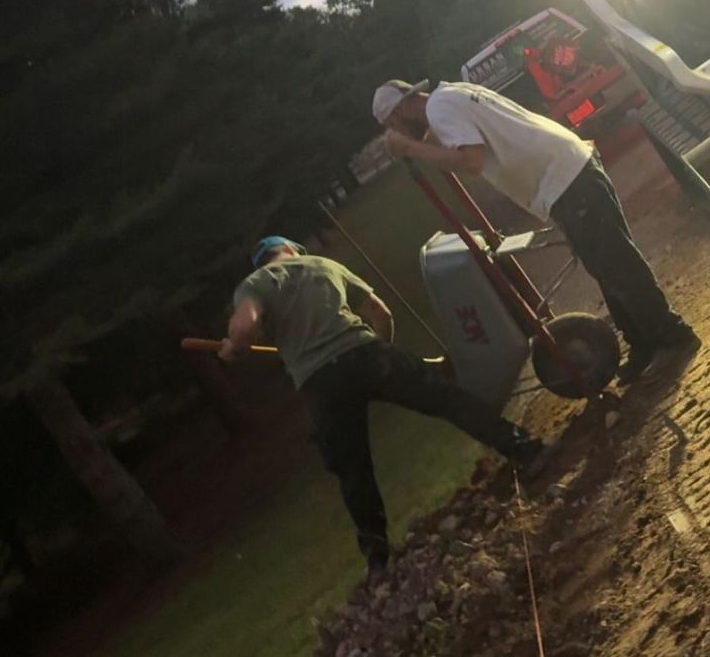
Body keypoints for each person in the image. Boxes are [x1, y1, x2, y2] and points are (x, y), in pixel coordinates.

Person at [221, 235, 547, 577]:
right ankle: (525, 449)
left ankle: (378, 558)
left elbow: (245, 325)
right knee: (445, 398)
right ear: (292, 251)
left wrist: (234, 348)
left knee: (353, 469)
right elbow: (380, 312)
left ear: (264, 262)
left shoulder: (254, 284)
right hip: (365, 354)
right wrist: (382, 354)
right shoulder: (323, 265)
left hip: (320, 384)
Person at [371, 78, 698, 381]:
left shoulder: (440, 108)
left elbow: (470, 161)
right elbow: (442, 139)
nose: (396, 133)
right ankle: (642, 342)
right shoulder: (450, 95)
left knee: (616, 264)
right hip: (567, 171)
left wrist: (410, 149)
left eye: (393, 125)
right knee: (604, 266)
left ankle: (673, 336)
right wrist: (415, 142)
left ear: (400, 111)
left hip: (566, 179)